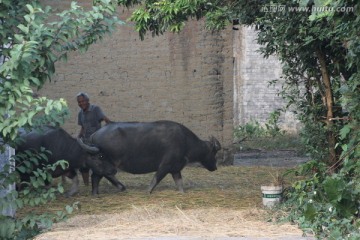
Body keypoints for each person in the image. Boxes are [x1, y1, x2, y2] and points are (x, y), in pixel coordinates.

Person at [76, 92, 110, 185]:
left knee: (99, 163)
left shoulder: (95, 109)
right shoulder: (80, 113)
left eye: (83, 101)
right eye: (79, 102)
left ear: (87, 101)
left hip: (96, 143)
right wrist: (78, 137)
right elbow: (83, 127)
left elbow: (106, 120)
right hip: (86, 142)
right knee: (83, 164)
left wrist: (109, 132)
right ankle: (86, 184)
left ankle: (100, 183)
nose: (81, 103)